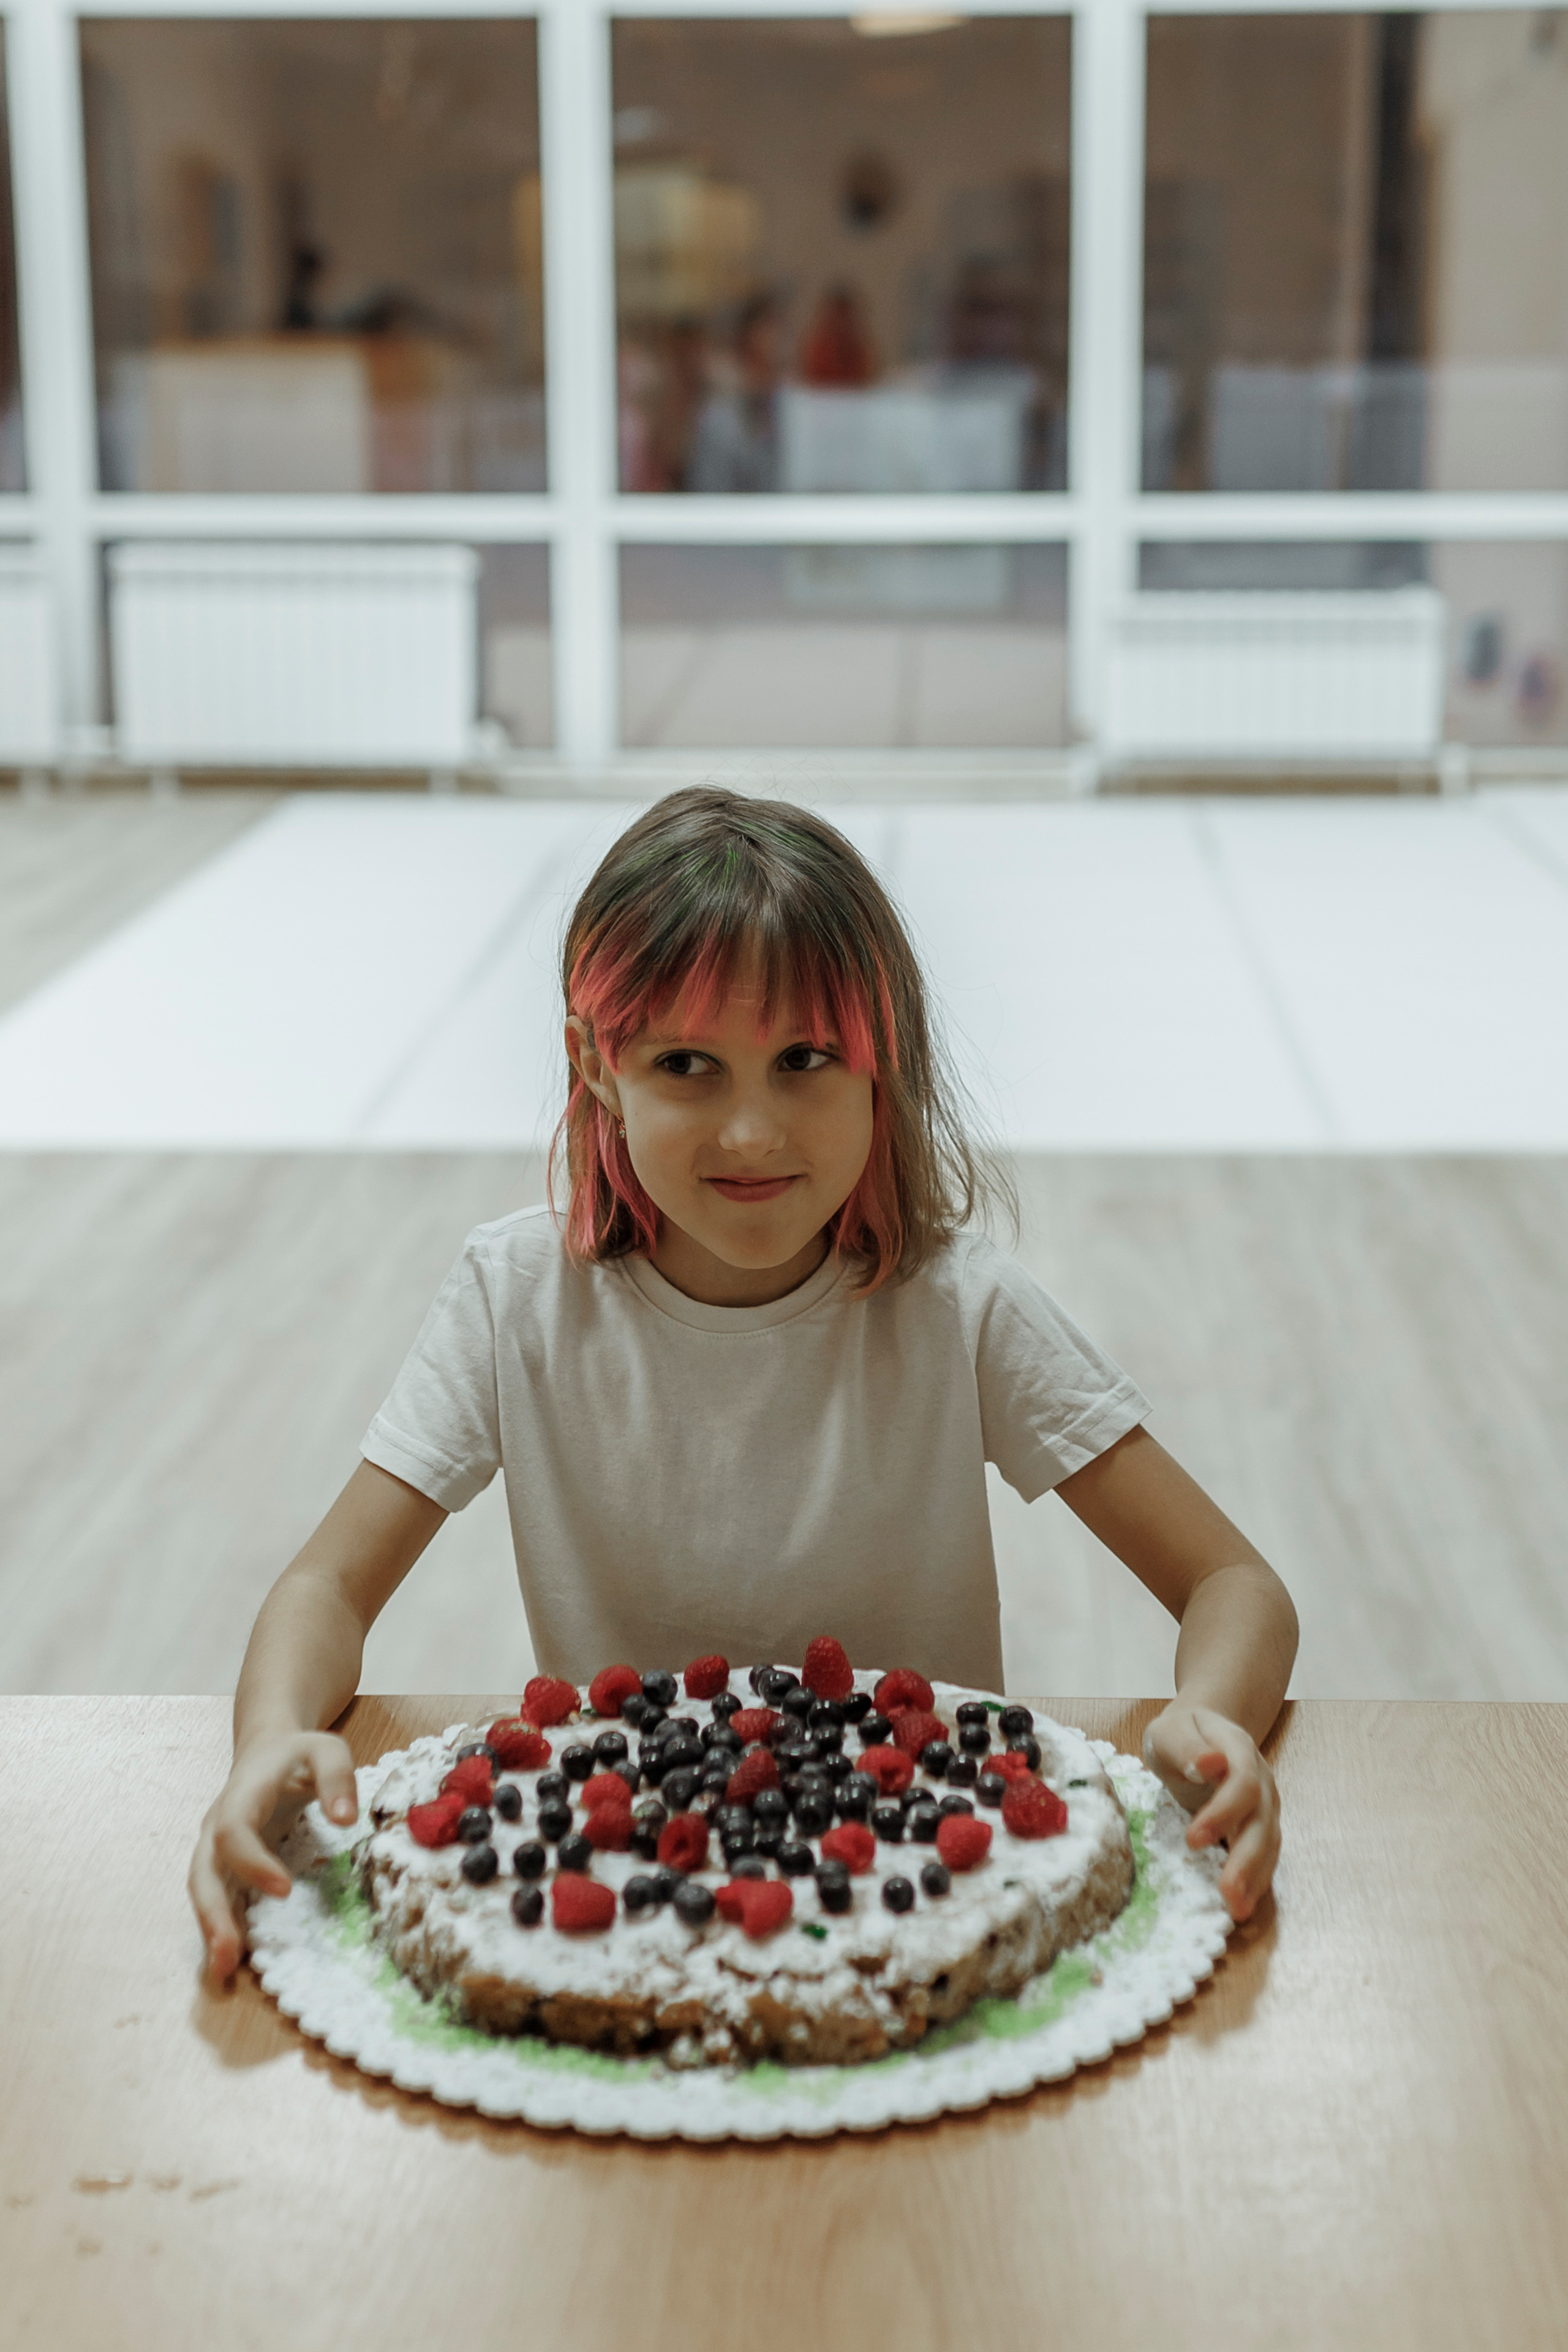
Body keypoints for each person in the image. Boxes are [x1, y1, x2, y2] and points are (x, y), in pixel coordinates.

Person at [190, 788, 1297, 1980]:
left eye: (805, 1060)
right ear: (596, 1067)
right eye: (687, 1066)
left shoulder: (956, 1306)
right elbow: (325, 1587)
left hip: (919, 1903)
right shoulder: (512, 1297)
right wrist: (267, 1739)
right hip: (621, 1915)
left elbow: (1232, 1583)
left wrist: (1213, 1712)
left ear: (885, 1062)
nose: (753, 1132)